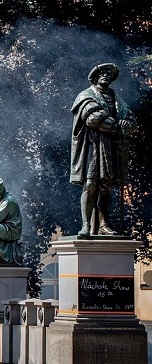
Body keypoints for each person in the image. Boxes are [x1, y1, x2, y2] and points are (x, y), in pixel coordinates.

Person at [70, 63, 138, 235]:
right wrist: (118, 127)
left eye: (109, 74)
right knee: (90, 184)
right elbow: (93, 119)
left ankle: (103, 225)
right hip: (93, 146)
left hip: (110, 148)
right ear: (95, 76)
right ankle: (86, 225)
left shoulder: (118, 101)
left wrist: (127, 125)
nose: (106, 76)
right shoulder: (85, 96)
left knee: (106, 186)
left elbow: (132, 122)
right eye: (103, 73)